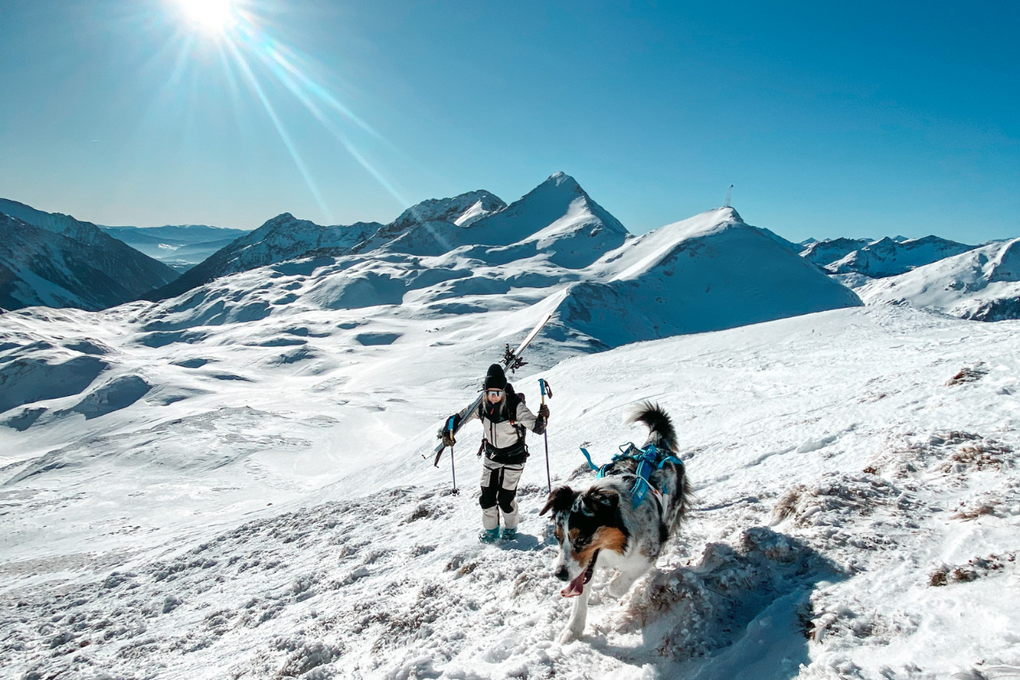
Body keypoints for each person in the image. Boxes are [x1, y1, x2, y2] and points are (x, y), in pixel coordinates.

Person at [440, 364, 549, 543]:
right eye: (490, 393)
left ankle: (511, 528)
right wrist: (448, 429)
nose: (493, 397)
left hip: (514, 458)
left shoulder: (515, 406)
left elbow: (537, 428)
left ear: (504, 391)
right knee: (487, 497)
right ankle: (491, 531)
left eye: (497, 393)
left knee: (505, 499)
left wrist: (543, 418)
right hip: (492, 457)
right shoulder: (480, 405)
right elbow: (458, 417)